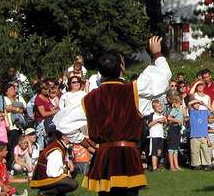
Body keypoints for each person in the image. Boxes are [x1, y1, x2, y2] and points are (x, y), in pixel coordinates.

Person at [53, 36, 171, 195]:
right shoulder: (134, 90)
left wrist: (86, 143)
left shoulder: (89, 98)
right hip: (127, 156)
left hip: (104, 157)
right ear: (121, 68)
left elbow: (63, 123)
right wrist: (157, 54)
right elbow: (162, 79)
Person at [146, 99, 166, 172]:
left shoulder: (162, 116)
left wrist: (165, 122)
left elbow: (163, 126)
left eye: (160, 106)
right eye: (157, 106)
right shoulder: (152, 115)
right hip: (154, 136)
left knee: (159, 152)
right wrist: (157, 120)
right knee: (154, 152)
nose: (160, 107)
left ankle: (156, 166)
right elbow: (148, 125)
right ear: (154, 108)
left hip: (161, 136)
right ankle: (154, 168)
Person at [166, 95, 184, 172]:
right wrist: (177, 121)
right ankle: (171, 166)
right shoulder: (174, 109)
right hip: (173, 128)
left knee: (176, 148)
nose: (181, 103)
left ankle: (176, 165)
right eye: (180, 102)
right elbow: (169, 117)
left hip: (178, 129)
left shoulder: (179, 110)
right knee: (171, 148)